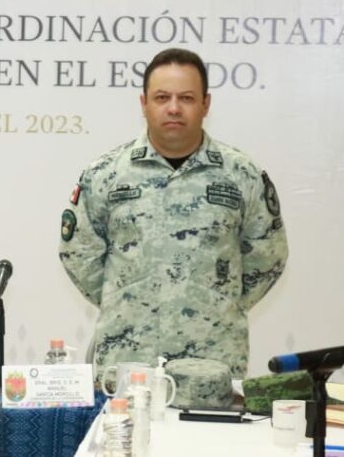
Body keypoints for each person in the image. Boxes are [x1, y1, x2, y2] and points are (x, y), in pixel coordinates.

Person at [59, 47, 287, 378]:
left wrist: (215, 302)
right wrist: (130, 298)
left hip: (213, 360)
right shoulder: (105, 174)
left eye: (187, 98)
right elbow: (79, 253)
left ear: (206, 104)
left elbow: (268, 257)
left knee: (212, 432)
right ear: (144, 103)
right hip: (128, 357)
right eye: (162, 97)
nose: (174, 108)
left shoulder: (243, 175)